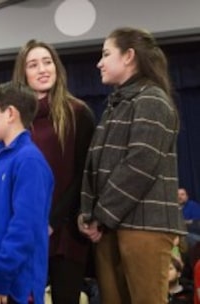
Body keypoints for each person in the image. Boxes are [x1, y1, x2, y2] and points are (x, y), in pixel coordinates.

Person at [78, 27, 186, 304]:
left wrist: (100, 215)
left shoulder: (151, 99)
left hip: (144, 227)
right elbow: (97, 165)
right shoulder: (118, 103)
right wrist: (88, 214)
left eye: (106, 54)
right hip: (112, 226)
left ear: (128, 56)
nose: (99, 62)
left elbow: (141, 163)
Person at [12, 39, 95, 303]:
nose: (42, 69)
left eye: (47, 62)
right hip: (24, 229)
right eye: (33, 64)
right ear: (23, 73)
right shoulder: (12, 119)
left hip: (65, 231)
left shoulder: (79, 113)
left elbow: (85, 174)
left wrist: (51, 221)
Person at [0, 81, 54, 304]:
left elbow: (24, 229)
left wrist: (1, 278)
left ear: (10, 113)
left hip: (14, 288)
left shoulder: (29, 161)